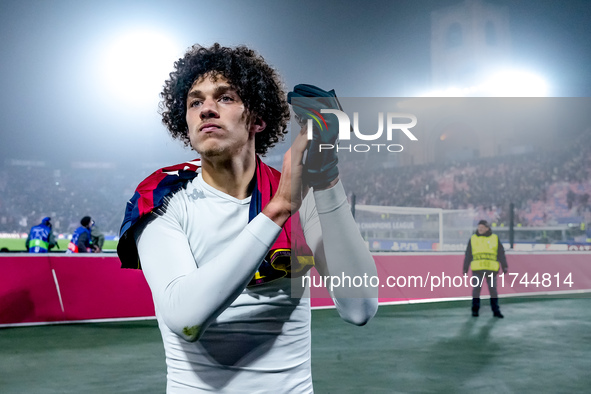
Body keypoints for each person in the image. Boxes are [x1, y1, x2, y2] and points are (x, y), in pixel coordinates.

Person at [117, 43, 378, 393]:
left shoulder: (304, 193)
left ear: (258, 119)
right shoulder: (164, 195)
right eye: (195, 102)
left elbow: (359, 307)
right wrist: (279, 208)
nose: (207, 109)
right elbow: (184, 319)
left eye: (225, 98)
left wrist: (326, 176)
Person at [463, 219, 509, 318]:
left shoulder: (495, 238)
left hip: (491, 270)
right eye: (479, 227)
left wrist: (504, 265)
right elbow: (468, 254)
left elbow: (501, 253)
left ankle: (496, 311)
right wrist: (465, 267)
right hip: (477, 270)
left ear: (487, 228)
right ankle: (475, 310)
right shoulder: (473, 239)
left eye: (482, 227)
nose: (480, 229)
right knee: (476, 290)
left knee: (493, 290)